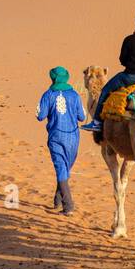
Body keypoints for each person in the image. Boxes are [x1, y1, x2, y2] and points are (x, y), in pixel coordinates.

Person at [81, 11, 135, 132]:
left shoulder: (129, 40)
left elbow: (122, 60)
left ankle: (97, 122)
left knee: (105, 90)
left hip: (130, 76)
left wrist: (133, 65)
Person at [36, 66, 86, 214]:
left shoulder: (47, 95)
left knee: (61, 168)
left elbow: (40, 115)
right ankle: (58, 201)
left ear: (52, 78)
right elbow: (82, 117)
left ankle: (68, 206)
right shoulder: (75, 95)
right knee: (64, 168)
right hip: (73, 137)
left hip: (56, 136)